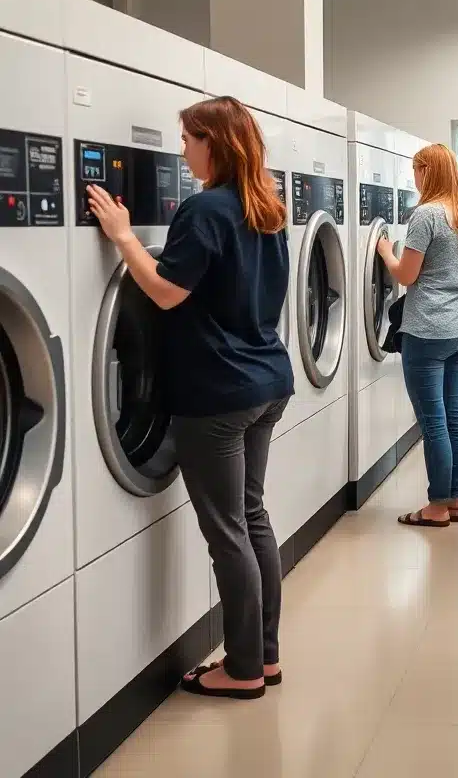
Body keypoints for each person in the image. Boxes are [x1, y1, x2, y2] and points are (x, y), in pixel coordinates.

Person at [86, 96, 293, 700]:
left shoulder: (205, 209)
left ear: (213, 142)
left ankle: (245, 668)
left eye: (187, 139)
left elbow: (166, 293)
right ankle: (266, 657)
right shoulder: (266, 209)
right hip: (265, 382)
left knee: (228, 530)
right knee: (251, 519)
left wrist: (124, 238)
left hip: (217, 394)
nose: (183, 150)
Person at [377, 143, 458, 527]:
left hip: (427, 330)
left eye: (416, 170)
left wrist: (386, 252)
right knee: (454, 416)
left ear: (427, 172)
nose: (414, 178)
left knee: (434, 421)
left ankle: (436, 507)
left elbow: (407, 275)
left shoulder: (426, 215)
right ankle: (455, 500)